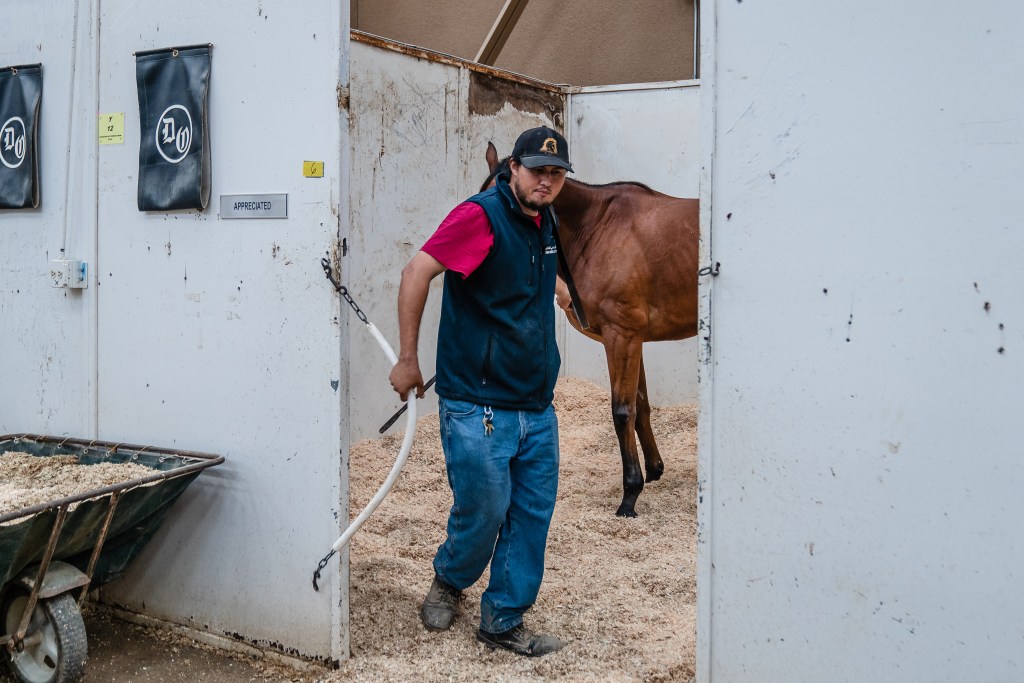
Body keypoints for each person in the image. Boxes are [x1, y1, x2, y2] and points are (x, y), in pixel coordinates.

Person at [388, 126, 572, 657]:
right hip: (479, 404)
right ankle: (450, 577)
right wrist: (407, 358)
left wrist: (559, 292)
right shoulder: (480, 216)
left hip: (536, 406)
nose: (547, 181)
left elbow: (533, 271)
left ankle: (502, 618)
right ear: (512, 166)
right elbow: (417, 272)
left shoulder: (544, 217)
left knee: (531, 514)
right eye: (538, 170)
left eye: (556, 173)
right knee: (486, 508)